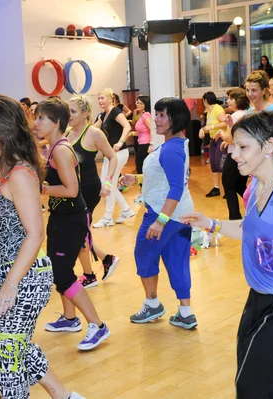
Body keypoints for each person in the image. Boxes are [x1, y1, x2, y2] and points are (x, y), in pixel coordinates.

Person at [182, 111, 273, 399]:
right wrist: (212, 223)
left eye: (243, 147)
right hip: (258, 298)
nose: (234, 153)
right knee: (263, 382)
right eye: (235, 146)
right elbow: (250, 229)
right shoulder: (257, 183)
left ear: (269, 146)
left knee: (251, 385)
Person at [0, 94, 85, 399]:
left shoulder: (21, 173)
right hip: (8, 274)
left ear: (3, 129)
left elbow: (34, 233)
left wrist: (11, 283)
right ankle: (65, 397)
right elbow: (3, 227)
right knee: (11, 346)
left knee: (5, 356)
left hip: (26, 278)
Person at [35, 98, 110, 351]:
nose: (36, 123)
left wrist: (42, 188)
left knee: (62, 272)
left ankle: (98, 325)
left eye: (41, 118)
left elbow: (71, 189)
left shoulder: (60, 150)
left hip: (72, 219)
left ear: (57, 122)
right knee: (58, 268)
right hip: (60, 217)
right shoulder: (55, 146)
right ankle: (69, 319)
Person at [119, 97, 197, 330]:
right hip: (181, 215)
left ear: (177, 118)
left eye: (163, 115)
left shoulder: (172, 148)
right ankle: (185, 312)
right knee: (177, 261)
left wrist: (161, 221)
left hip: (163, 215)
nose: (157, 119)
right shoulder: (176, 143)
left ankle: (152, 304)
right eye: (157, 114)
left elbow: (176, 187)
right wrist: (138, 179)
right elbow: (167, 179)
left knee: (144, 256)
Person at [67, 94, 120, 288]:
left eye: (72, 111)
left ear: (86, 113)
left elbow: (112, 157)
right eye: (68, 111)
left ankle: (89, 275)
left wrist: (108, 182)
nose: (69, 115)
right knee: (79, 230)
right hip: (71, 190)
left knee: (77, 229)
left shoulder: (94, 133)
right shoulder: (67, 133)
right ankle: (106, 259)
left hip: (88, 189)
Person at [92, 88, 135, 228]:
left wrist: (120, 142)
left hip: (118, 153)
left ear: (110, 98)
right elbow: (93, 129)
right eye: (99, 98)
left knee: (108, 185)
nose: (100, 101)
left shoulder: (115, 111)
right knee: (106, 184)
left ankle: (108, 217)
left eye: (102, 98)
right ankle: (126, 210)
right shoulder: (103, 115)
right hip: (109, 154)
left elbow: (127, 126)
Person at [220, 88, 250, 220]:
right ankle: (256, 207)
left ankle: (235, 217)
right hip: (246, 155)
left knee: (228, 185)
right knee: (239, 186)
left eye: (231, 99)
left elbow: (229, 138)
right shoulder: (248, 113)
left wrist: (220, 134)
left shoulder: (234, 116)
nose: (228, 101)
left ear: (238, 100)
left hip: (234, 156)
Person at [199, 92, 228, 197]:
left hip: (220, 138)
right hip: (213, 140)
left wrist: (211, 128)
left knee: (221, 164)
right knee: (214, 165)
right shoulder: (209, 111)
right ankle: (216, 188)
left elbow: (225, 123)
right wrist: (203, 130)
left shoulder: (218, 109)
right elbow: (208, 127)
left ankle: (227, 189)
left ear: (205, 101)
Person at [133, 95, 153, 175]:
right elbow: (142, 131)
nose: (138, 104)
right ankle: (143, 185)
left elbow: (151, 129)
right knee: (140, 166)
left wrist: (151, 144)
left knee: (141, 166)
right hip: (141, 143)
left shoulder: (146, 115)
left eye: (141, 103)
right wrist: (131, 133)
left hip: (145, 144)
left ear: (146, 105)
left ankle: (143, 185)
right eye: (137, 103)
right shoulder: (141, 115)